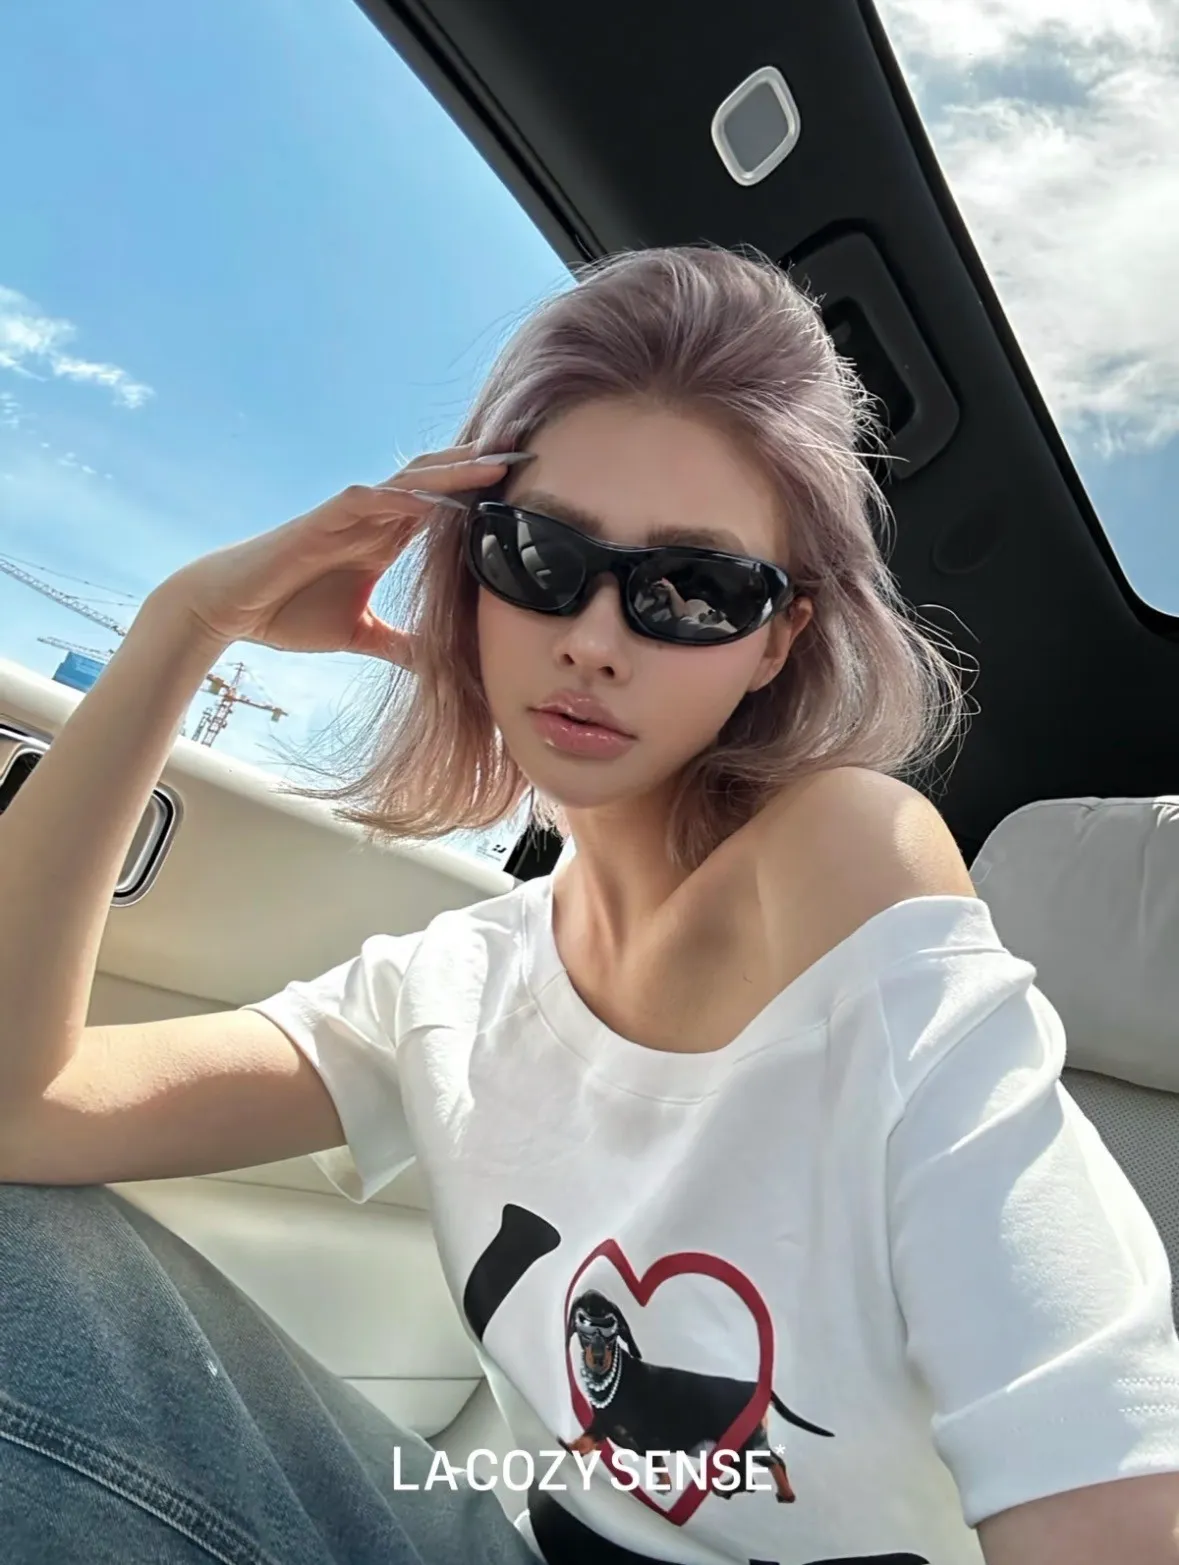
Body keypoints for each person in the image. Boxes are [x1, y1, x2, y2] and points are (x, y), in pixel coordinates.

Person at [0, 246, 1177, 1565]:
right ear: (470, 568)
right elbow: (19, 1109)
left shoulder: (841, 858)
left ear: (776, 641)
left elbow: (1109, 1493)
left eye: (696, 590)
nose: (597, 639)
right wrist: (185, 622)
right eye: (539, 555)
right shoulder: (451, 985)